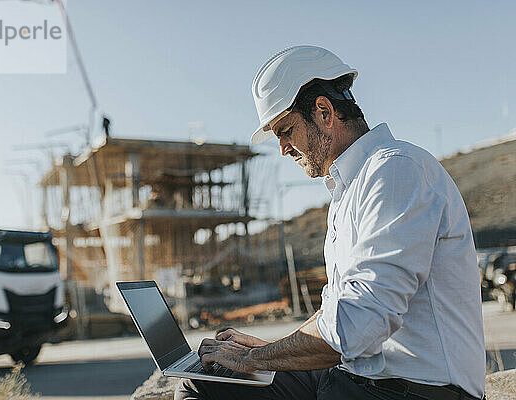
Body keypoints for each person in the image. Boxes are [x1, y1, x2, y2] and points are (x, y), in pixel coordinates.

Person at [175, 46, 486, 400]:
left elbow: (357, 326)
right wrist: (272, 349)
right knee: (204, 383)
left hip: (412, 391)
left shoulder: (396, 171)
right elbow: (337, 311)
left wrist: (254, 358)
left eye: (285, 130)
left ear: (324, 112)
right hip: (356, 379)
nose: (283, 148)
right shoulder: (350, 188)